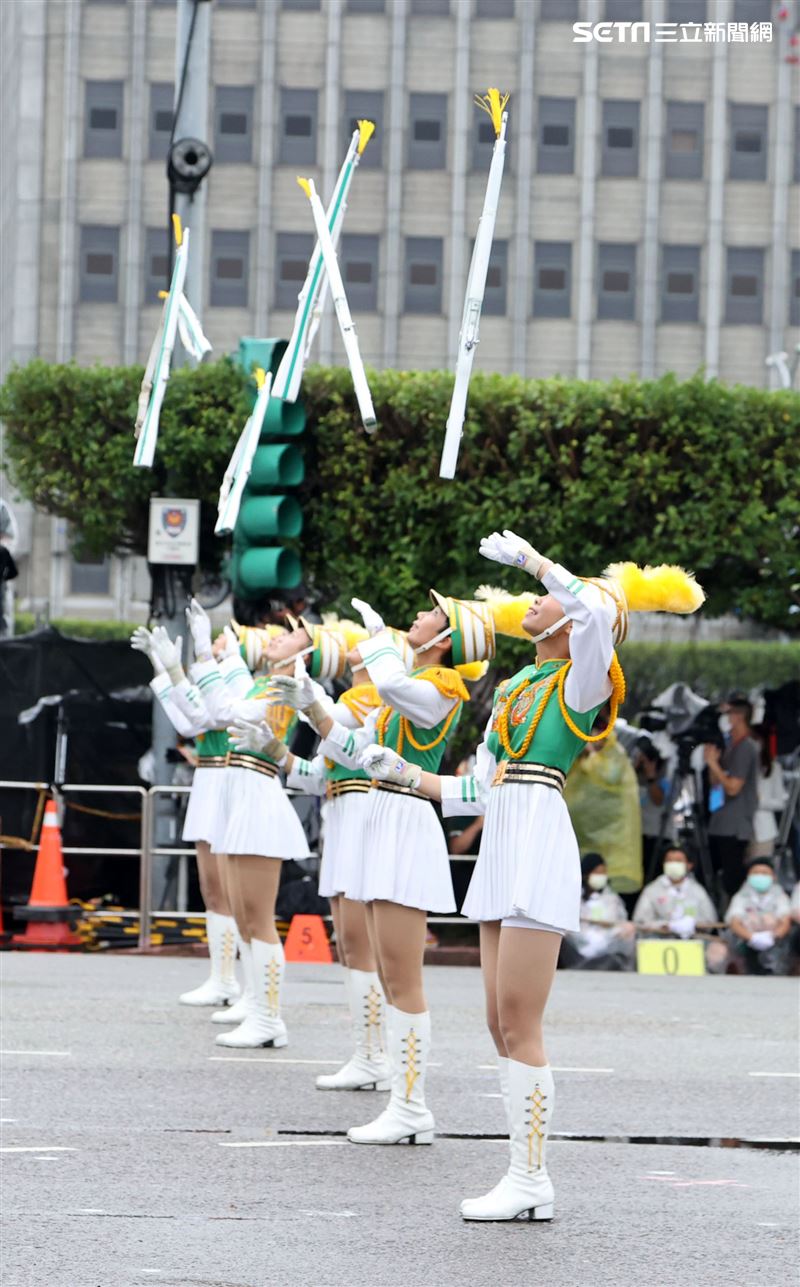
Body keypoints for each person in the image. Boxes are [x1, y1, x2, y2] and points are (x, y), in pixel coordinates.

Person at [361, 535, 704, 1222]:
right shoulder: (516, 687)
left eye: (548, 596)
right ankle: (521, 1173)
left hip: (540, 834)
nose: (534, 599)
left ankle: (530, 1175)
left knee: (521, 1017)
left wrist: (538, 562)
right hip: (505, 833)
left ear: (575, 618)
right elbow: (475, 790)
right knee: (496, 1017)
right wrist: (405, 775)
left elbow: (601, 621)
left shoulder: (585, 678)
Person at [269, 596, 474, 1148]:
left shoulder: (443, 688)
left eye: (430, 614)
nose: (419, 615)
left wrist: (381, 639)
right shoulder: (403, 688)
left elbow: (392, 690)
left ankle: (411, 1106)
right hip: (383, 813)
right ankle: (400, 1099)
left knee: (403, 978)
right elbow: (358, 749)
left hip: (408, 821)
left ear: (446, 639)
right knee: (386, 972)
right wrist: (311, 706)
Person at [231, 601, 393, 1093]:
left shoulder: (370, 699)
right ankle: (367, 1053)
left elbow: (343, 737)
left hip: (363, 811)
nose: (352, 647)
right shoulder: (348, 698)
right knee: (348, 944)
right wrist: (276, 748)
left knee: (362, 946)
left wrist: (311, 698)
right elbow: (313, 776)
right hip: (339, 814)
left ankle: (375, 1056)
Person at [157, 605, 311, 1050]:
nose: (280, 636)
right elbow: (219, 702)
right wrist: (179, 664)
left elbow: (222, 708)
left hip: (258, 795)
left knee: (257, 918)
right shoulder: (264, 681)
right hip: (242, 792)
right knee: (244, 915)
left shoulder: (286, 685)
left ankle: (268, 1017)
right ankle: (255, 1003)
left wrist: (205, 651)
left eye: (294, 634)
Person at [131, 621, 245, 1009]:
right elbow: (185, 721)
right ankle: (221, 977)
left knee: (232, 889)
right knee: (211, 887)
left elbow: (204, 717)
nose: (215, 640)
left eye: (223, 635)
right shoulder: (215, 677)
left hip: (230, 778)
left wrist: (178, 667)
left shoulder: (240, 679)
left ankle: (238, 981)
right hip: (209, 777)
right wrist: (160, 667)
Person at [632, 842, 727, 972]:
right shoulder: (652, 890)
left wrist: (693, 924)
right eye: (669, 861)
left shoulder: (697, 891)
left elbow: (710, 921)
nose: (673, 864)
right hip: (659, 940)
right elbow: (640, 922)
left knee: (718, 950)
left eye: (678, 861)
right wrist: (666, 925)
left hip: (693, 941)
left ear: (689, 865)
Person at [705, 694, 760, 900]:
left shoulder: (747, 746)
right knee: (714, 875)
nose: (726, 718)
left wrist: (712, 764)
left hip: (735, 827)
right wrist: (713, 761)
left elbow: (734, 788)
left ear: (738, 716)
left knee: (732, 881)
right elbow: (716, 782)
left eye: (728, 713)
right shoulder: (729, 744)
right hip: (719, 822)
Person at [561, 853, 635, 971]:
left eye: (603, 873)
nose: (600, 876)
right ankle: (581, 966)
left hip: (606, 947)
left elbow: (621, 922)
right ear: (586, 874)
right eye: (597, 873)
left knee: (629, 928)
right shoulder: (572, 896)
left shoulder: (612, 898)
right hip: (578, 946)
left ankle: (590, 966)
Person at [724, 858, 792, 975]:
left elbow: (786, 921)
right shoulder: (741, 896)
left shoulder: (780, 895)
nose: (760, 876)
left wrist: (773, 937)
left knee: (769, 919)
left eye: (764, 873)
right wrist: (753, 938)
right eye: (756, 873)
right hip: (746, 941)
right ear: (748, 876)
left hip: (774, 942)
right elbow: (734, 922)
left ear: (774, 877)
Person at [633, 741, 673, 878]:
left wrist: (651, 776)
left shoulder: (665, 778)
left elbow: (658, 801)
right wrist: (635, 767)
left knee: (653, 875)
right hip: (638, 836)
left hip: (658, 837)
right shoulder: (636, 776)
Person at [749, 724, 788, 861]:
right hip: (738, 830)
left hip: (763, 831)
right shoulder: (736, 764)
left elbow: (781, 802)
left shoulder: (774, 768)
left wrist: (759, 801)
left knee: (761, 868)